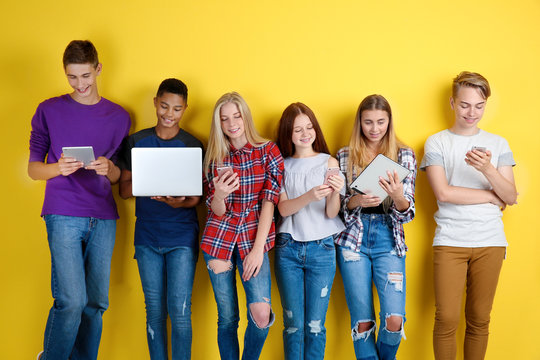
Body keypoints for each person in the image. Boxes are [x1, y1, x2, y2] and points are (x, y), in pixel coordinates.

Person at [28, 40, 131, 360]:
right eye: (72, 77)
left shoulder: (119, 116)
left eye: (86, 76)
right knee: (70, 300)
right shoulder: (48, 109)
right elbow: (33, 169)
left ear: (98, 69)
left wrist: (109, 168)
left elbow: (118, 178)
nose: (80, 84)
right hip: (63, 212)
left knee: (95, 303)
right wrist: (57, 168)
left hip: (102, 215)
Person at [420, 71, 517, 360]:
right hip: (450, 239)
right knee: (446, 318)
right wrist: (490, 195)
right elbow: (444, 193)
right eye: (464, 104)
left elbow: (511, 197)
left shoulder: (498, 144)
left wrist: (487, 169)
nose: (471, 112)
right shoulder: (436, 142)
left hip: (491, 241)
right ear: (452, 102)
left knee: (479, 319)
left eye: (479, 105)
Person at [118, 78, 203, 360]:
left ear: (185, 109)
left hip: (181, 236)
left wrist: (179, 201)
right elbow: (125, 190)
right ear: (155, 102)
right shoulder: (136, 141)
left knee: (179, 311)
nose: (169, 114)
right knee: (154, 311)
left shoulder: (193, 144)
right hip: (147, 237)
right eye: (164, 106)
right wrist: (149, 182)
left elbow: (197, 198)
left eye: (177, 109)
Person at [201, 92, 283, 360]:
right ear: (219, 124)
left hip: (253, 239)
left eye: (236, 116)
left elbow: (269, 202)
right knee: (227, 319)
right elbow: (215, 210)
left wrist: (258, 250)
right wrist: (220, 195)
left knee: (260, 315)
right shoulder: (214, 157)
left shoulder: (268, 151)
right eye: (224, 119)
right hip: (218, 240)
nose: (232, 123)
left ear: (245, 116)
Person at [335, 94, 416, 360]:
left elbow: (408, 212)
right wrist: (356, 200)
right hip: (353, 240)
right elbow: (338, 209)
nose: (374, 128)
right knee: (363, 323)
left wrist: (397, 196)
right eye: (368, 122)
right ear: (359, 123)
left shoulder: (404, 154)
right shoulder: (345, 155)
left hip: (389, 238)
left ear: (389, 122)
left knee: (394, 320)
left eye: (381, 122)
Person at [274, 102, 345, 359]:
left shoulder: (329, 162)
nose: (305, 133)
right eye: (297, 130)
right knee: (293, 326)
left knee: (315, 326)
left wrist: (335, 191)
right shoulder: (281, 165)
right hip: (288, 247)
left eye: (309, 127)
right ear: (287, 134)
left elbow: (330, 213)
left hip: (322, 248)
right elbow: (283, 209)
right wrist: (309, 195)